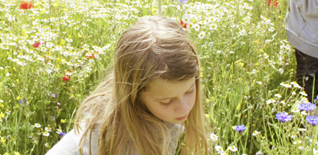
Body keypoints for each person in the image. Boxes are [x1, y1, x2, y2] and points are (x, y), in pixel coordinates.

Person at [46, 16, 211, 155]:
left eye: (189, 91)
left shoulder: (159, 114)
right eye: (166, 101)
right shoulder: (121, 138)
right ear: (134, 94)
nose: (184, 108)